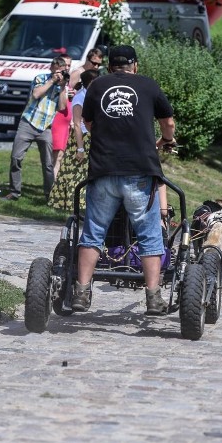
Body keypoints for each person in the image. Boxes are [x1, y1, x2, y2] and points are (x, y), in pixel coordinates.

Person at [72, 45, 176, 315]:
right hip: (139, 170)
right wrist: (166, 140)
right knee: (150, 235)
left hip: (103, 170)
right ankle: (153, 297)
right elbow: (169, 123)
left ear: (109, 67)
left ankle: (81, 293)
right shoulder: (148, 85)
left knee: (93, 233)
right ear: (135, 65)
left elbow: (89, 123)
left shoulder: (96, 86)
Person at [3, 56, 68, 201]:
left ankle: (49, 195)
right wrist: (52, 81)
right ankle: (14, 192)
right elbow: (36, 94)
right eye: (57, 71)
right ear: (51, 68)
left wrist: (63, 87)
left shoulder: (63, 86)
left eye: (61, 71)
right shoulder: (40, 78)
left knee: (48, 163)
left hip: (45, 128)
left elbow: (63, 107)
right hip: (28, 123)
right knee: (16, 158)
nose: (59, 74)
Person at [47, 68, 98, 211]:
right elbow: (76, 124)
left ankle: (86, 204)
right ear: (90, 83)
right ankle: (72, 204)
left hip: (92, 137)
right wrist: (80, 148)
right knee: (75, 174)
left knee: (86, 173)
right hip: (80, 138)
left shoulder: (94, 96)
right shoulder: (80, 98)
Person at [51, 55, 74, 181]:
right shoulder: (57, 82)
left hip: (67, 123)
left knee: (62, 156)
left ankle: (57, 185)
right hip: (58, 122)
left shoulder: (67, 81)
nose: (67, 67)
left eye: (69, 65)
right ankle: (54, 187)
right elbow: (61, 106)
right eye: (65, 64)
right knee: (57, 156)